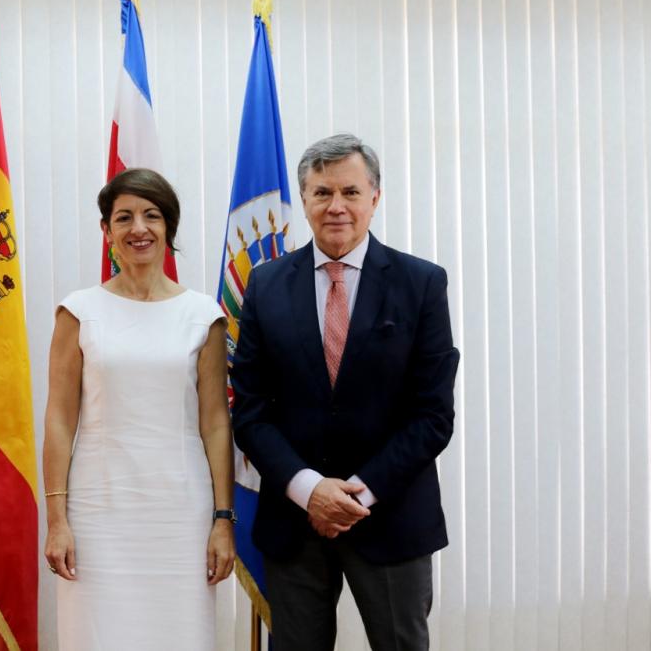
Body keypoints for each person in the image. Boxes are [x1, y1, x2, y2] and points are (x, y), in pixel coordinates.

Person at [231, 134, 459, 651]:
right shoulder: (265, 286)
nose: (336, 206)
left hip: (392, 514)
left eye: (350, 192)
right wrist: (309, 488)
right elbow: (249, 411)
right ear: (304, 199)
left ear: (375, 198)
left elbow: (432, 415)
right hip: (294, 519)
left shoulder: (421, 283)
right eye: (322, 192)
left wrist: (357, 492)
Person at [42, 168, 235, 650]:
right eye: (123, 217)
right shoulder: (78, 310)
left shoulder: (203, 315)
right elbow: (60, 420)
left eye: (151, 215)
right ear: (107, 231)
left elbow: (214, 423)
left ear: (169, 227)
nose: (138, 228)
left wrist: (222, 519)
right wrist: (57, 521)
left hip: (180, 514)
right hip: (97, 512)